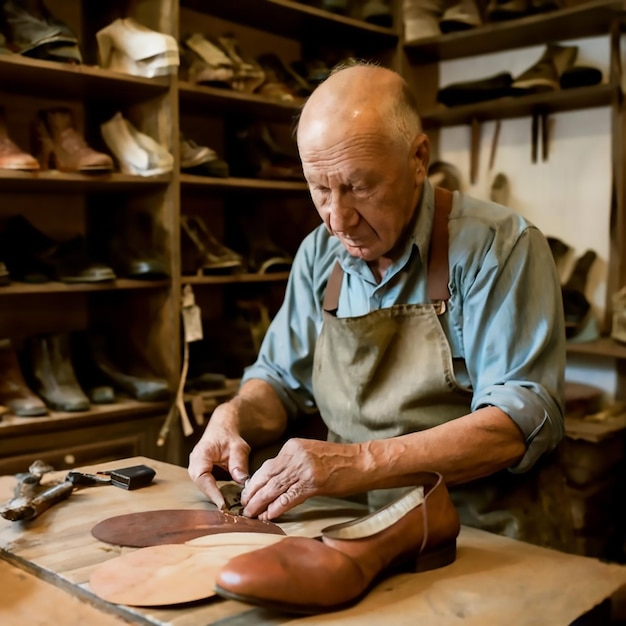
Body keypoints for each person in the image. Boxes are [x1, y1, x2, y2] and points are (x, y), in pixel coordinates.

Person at [188, 61, 567, 545]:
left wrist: (355, 461)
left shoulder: (500, 247)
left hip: (481, 528)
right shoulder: (319, 255)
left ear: (418, 158)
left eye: (359, 186)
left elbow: (518, 422)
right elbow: (281, 382)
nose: (338, 219)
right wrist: (234, 414)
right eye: (319, 188)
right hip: (351, 525)